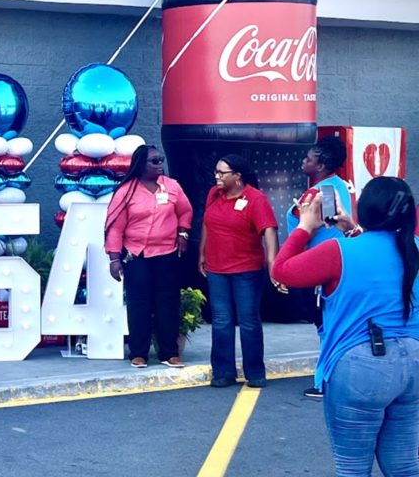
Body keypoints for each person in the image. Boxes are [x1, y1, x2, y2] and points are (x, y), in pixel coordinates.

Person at [272, 178, 419, 476]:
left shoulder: (337, 253)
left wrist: (304, 226)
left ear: (364, 209)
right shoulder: (413, 247)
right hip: (413, 363)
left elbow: (282, 271)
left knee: (353, 466)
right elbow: (382, 253)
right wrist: (352, 229)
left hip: (360, 365)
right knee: (403, 464)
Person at [199, 154, 285, 388]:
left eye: (221, 173)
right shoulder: (213, 195)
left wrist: (272, 265)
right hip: (217, 268)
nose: (216, 176)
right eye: (216, 171)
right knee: (221, 320)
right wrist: (202, 253)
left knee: (248, 321)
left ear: (237, 176)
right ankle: (223, 371)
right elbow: (207, 223)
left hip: (246, 269)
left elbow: (269, 231)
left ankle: (255, 372)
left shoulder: (256, 199)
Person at [105, 145, 193, 369]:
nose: (160, 164)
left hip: (167, 253)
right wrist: (114, 259)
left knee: (167, 303)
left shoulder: (172, 187)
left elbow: (185, 210)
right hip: (137, 255)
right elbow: (114, 227)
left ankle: (169, 353)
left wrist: (183, 232)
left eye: (161, 159)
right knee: (139, 303)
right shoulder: (126, 191)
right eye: (154, 161)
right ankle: (138, 353)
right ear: (140, 164)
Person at [286, 135, 353, 398]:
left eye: (308, 159)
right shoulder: (339, 186)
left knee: (326, 327)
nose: (303, 162)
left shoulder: (321, 191)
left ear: (321, 165)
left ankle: (324, 382)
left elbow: (316, 228)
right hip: (333, 263)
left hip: (320, 268)